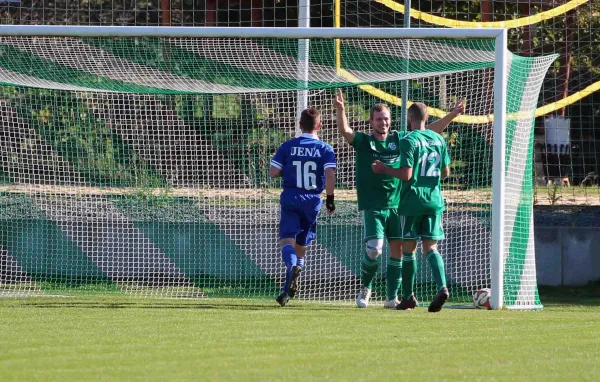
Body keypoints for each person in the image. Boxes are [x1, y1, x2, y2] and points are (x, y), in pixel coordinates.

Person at [334, 89, 463, 308]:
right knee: (375, 249)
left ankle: (392, 297)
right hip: (374, 204)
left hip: (399, 205)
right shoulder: (365, 141)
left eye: (386, 119)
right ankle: (366, 287)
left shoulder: (400, 138)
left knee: (399, 251)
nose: (383, 123)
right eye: (378, 119)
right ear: (371, 121)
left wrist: (451, 115)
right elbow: (346, 131)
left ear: (391, 120)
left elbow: (427, 131)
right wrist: (341, 110)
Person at [372, 102, 452, 312]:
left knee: (408, 250)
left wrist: (384, 168)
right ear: (427, 118)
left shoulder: (409, 140)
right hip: (434, 200)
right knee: (431, 248)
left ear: (409, 118)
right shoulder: (438, 139)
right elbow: (446, 173)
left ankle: (408, 297)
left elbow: (406, 174)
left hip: (412, 202)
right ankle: (442, 286)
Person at [269, 107, 336, 307]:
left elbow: (273, 172)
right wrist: (330, 199)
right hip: (313, 199)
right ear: (320, 125)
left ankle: (291, 267)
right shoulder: (325, 149)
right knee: (302, 248)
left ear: (300, 125)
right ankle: (287, 290)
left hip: (291, 196)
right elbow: (331, 175)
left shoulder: (288, 146)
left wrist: (289, 171)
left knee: (286, 242)